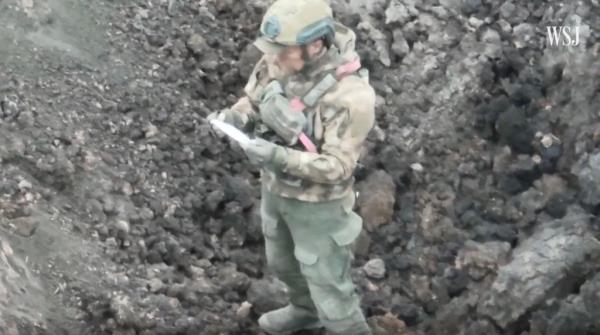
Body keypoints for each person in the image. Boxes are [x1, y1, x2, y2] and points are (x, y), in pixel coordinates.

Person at [208, 0, 375, 333]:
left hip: (319, 207)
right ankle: (304, 313)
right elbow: (253, 101)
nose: (274, 59)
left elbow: (338, 166)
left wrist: (278, 157)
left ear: (315, 45)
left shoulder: (352, 96)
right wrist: (235, 118)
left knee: (329, 288)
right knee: (283, 263)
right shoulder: (278, 58)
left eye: (284, 51)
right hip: (276, 190)